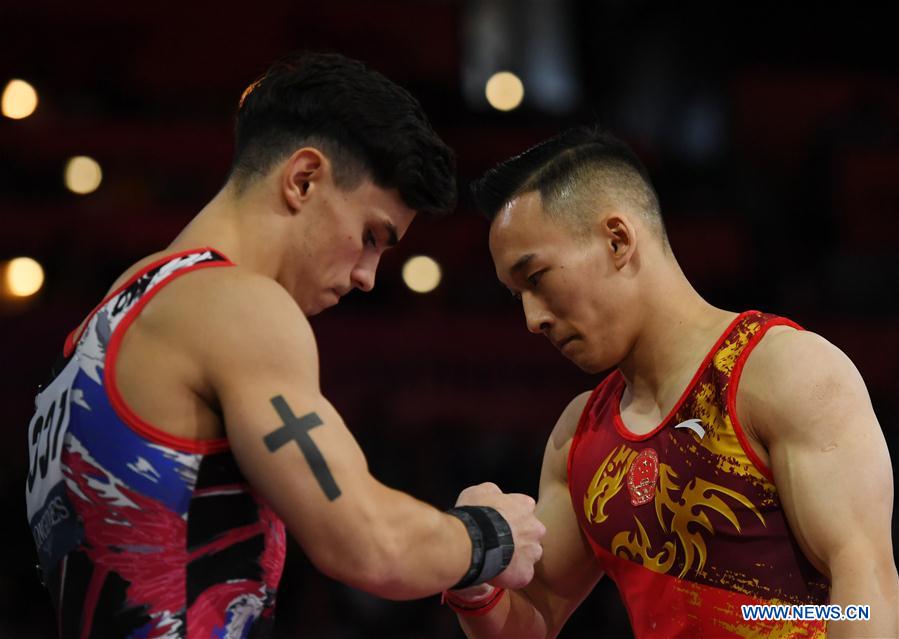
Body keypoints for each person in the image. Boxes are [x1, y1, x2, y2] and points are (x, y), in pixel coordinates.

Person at [24, 52, 545, 638]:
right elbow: (368, 542)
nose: (367, 276)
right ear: (303, 179)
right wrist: (491, 535)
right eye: (371, 236)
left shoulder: (103, 325)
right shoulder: (237, 306)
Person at [443, 127, 897, 638]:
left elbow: (863, 590)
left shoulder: (782, 372)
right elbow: (532, 622)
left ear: (618, 240)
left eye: (537, 278)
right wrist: (474, 578)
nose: (531, 318)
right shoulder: (578, 437)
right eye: (515, 295)